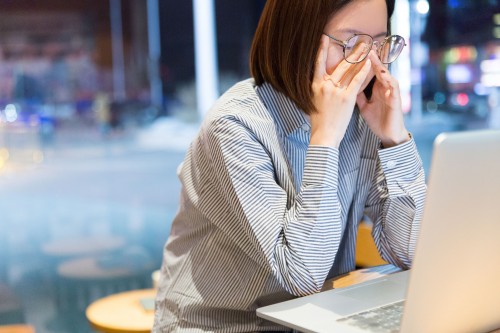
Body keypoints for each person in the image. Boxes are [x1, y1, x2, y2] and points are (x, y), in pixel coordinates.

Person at [153, 0, 426, 331]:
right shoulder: (236, 124)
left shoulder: (361, 115)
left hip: (313, 319)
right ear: (299, 37)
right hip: (223, 324)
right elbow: (302, 273)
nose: (369, 64)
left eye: (380, 44)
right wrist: (325, 138)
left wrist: (394, 139)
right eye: (353, 43)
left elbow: (411, 253)